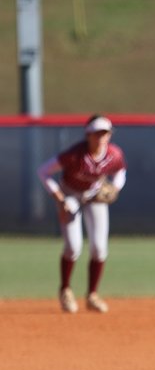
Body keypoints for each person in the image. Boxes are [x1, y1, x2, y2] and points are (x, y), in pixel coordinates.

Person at [37, 115, 127, 314]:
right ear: (88, 135)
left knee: (99, 248)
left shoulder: (113, 154)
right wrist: (59, 198)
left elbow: (120, 171)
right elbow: (43, 171)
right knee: (73, 247)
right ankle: (65, 290)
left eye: (105, 133)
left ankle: (92, 295)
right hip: (69, 196)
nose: (101, 138)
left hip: (94, 197)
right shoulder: (74, 155)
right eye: (97, 134)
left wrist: (116, 188)